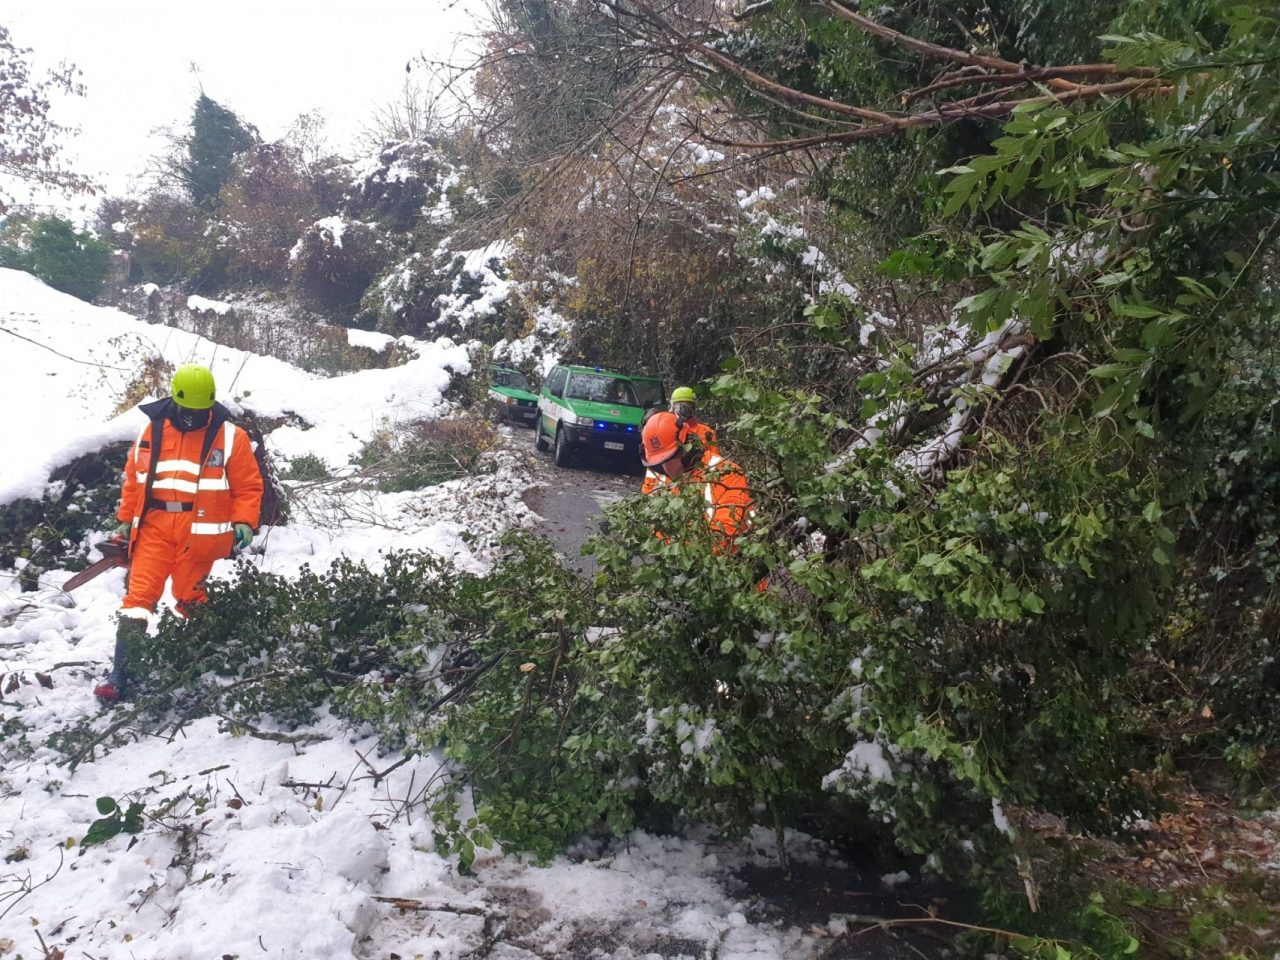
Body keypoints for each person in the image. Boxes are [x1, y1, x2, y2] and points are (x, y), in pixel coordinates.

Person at [94, 364, 264, 703]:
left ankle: (204, 658)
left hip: (198, 533)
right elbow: (135, 479)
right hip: (154, 527)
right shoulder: (152, 431)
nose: (194, 418)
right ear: (175, 401)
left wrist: (244, 520)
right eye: (188, 411)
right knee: (138, 599)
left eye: (201, 412)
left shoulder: (231, 436)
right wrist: (126, 521)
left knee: (189, 596)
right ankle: (121, 673)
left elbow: (248, 486)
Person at [639, 409, 752, 552]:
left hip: (722, 565)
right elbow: (649, 519)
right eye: (659, 462)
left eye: (670, 458)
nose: (666, 467)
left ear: (686, 445)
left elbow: (726, 533)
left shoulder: (726, 473)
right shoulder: (659, 475)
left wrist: (681, 553)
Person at [641, 387, 720, 494]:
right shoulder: (664, 429)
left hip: (693, 490)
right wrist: (648, 494)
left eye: (687, 405)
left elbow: (713, 465)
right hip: (666, 491)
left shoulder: (706, 433)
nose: (683, 409)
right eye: (680, 405)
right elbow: (654, 464)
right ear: (672, 406)